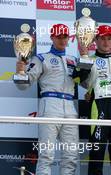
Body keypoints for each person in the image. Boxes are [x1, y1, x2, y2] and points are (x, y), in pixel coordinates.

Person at [15, 24, 89, 175]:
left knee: (71, 156)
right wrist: (20, 70)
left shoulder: (74, 60)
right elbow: (24, 85)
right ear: (52, 38)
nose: (62, 40)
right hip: (49, 105)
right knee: (46, 154)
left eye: (65, 37)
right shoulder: (41, 58)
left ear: (69, 39)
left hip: (70, 106)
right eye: (59, 37)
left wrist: (86, 61)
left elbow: (87, 84)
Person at [83, 25, 111, 175]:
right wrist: (89, 91)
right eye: (102, 38)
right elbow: (78, 79)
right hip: (99, 105)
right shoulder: (89, 59)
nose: (106, 42)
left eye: (109, 38)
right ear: (96, 40)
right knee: (97, 151)